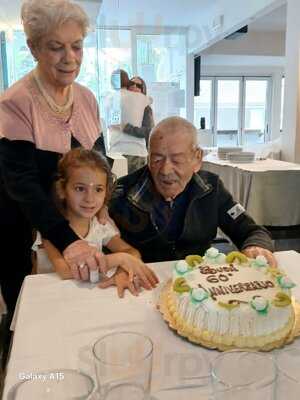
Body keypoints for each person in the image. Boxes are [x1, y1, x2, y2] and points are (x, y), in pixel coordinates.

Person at [0, 0, 107, 364]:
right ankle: (29, 376)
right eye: (55, 46)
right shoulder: (15, 102)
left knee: (79, 311)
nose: (69, 57)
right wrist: (66, 240)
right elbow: (22, 183)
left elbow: (100, 163)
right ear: (32, 48)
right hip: (22, 227)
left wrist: (104, 207)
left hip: (76, 226)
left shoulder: (88, 99)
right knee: (30, 319)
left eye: (76, 45)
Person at [108, 116, 276, 267]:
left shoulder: (210, 188)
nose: (165, 170)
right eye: (157, 159)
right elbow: (100, 241)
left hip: (198, 287)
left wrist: (256, 247)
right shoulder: (123, 192)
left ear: (197, 159)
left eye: (177, 160)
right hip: (142, 284)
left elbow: (251, 230)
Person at [33, 148, 158, 294]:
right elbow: (65, 271)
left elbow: (131, 251)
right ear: (61, 189)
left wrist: (121, 271)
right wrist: (119, 259)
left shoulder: (100, 225)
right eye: (80, 188)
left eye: (98, 189)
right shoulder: (51, 229)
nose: (89, 199)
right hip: (50, 298)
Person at [123, 76, 155, 173]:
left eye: (138, 85)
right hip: (121, 152)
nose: (134, 86)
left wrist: (127, 128)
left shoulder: (145, 108)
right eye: (131, 84)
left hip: (136, 155)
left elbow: (149, 131)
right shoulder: (123, 105)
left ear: (142, 90)